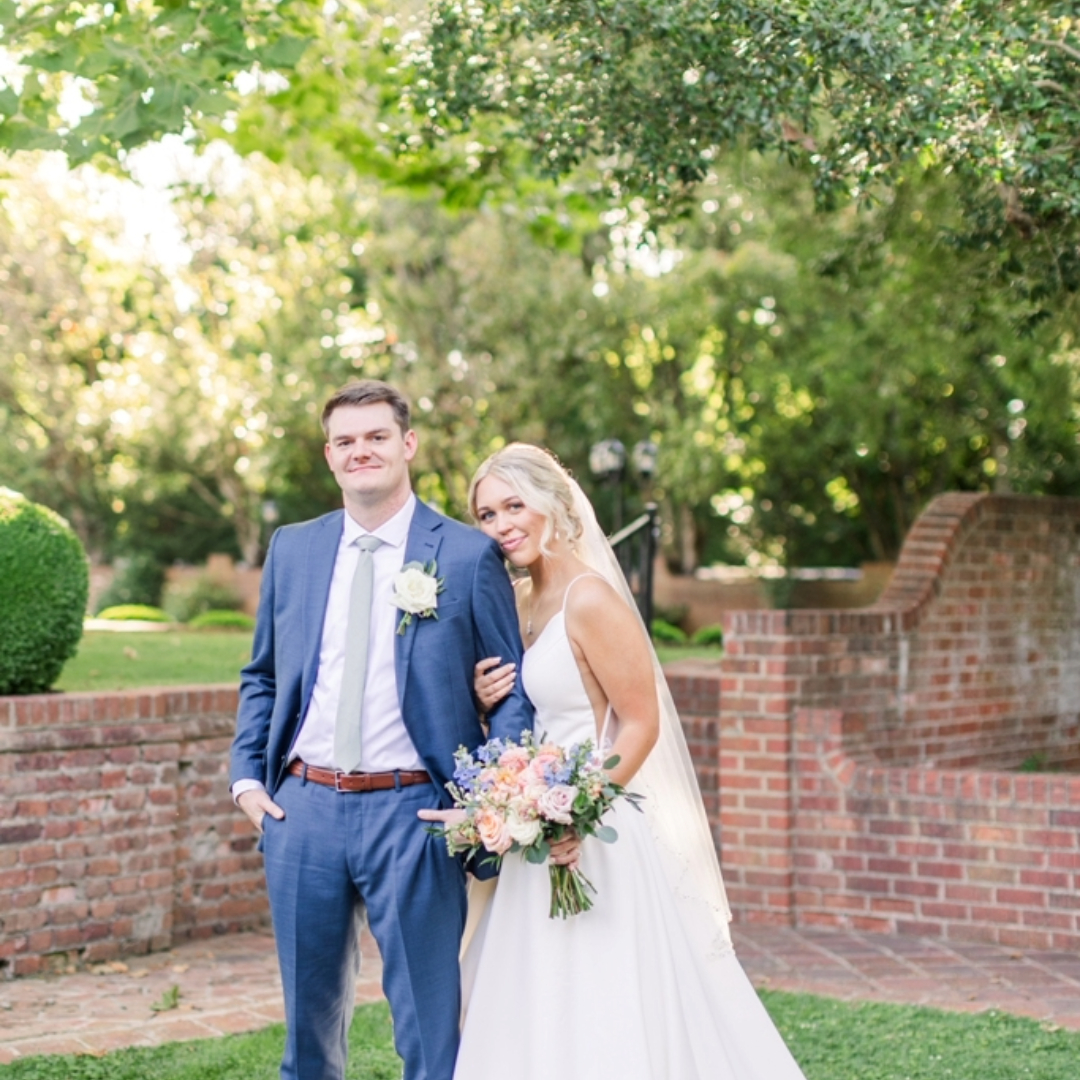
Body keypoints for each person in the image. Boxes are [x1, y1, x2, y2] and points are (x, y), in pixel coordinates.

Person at [421, 443, 808, 1080]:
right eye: (486, 514)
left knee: (604, 999)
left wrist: (577, 811)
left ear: (553, 502)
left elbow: (640, 722)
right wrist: (484, 700)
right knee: (533, 1001)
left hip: (593, 830)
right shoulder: (515, 600)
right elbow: (522, 716)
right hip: (531, 828)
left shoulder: (591, 599)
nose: (501, 525)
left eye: (514, 506)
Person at [229, 381, 534, 1080]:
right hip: (301, 811)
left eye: (376, 436)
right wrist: (248, 781)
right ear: (329, 455)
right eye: (345, 440)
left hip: (415, 813)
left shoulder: (466, 555)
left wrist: (484, 803)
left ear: (407, 444)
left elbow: (511, 694)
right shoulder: (294, 548)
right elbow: (263, 674)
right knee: (308, 1034)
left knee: (429, 1031)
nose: (360, 450)